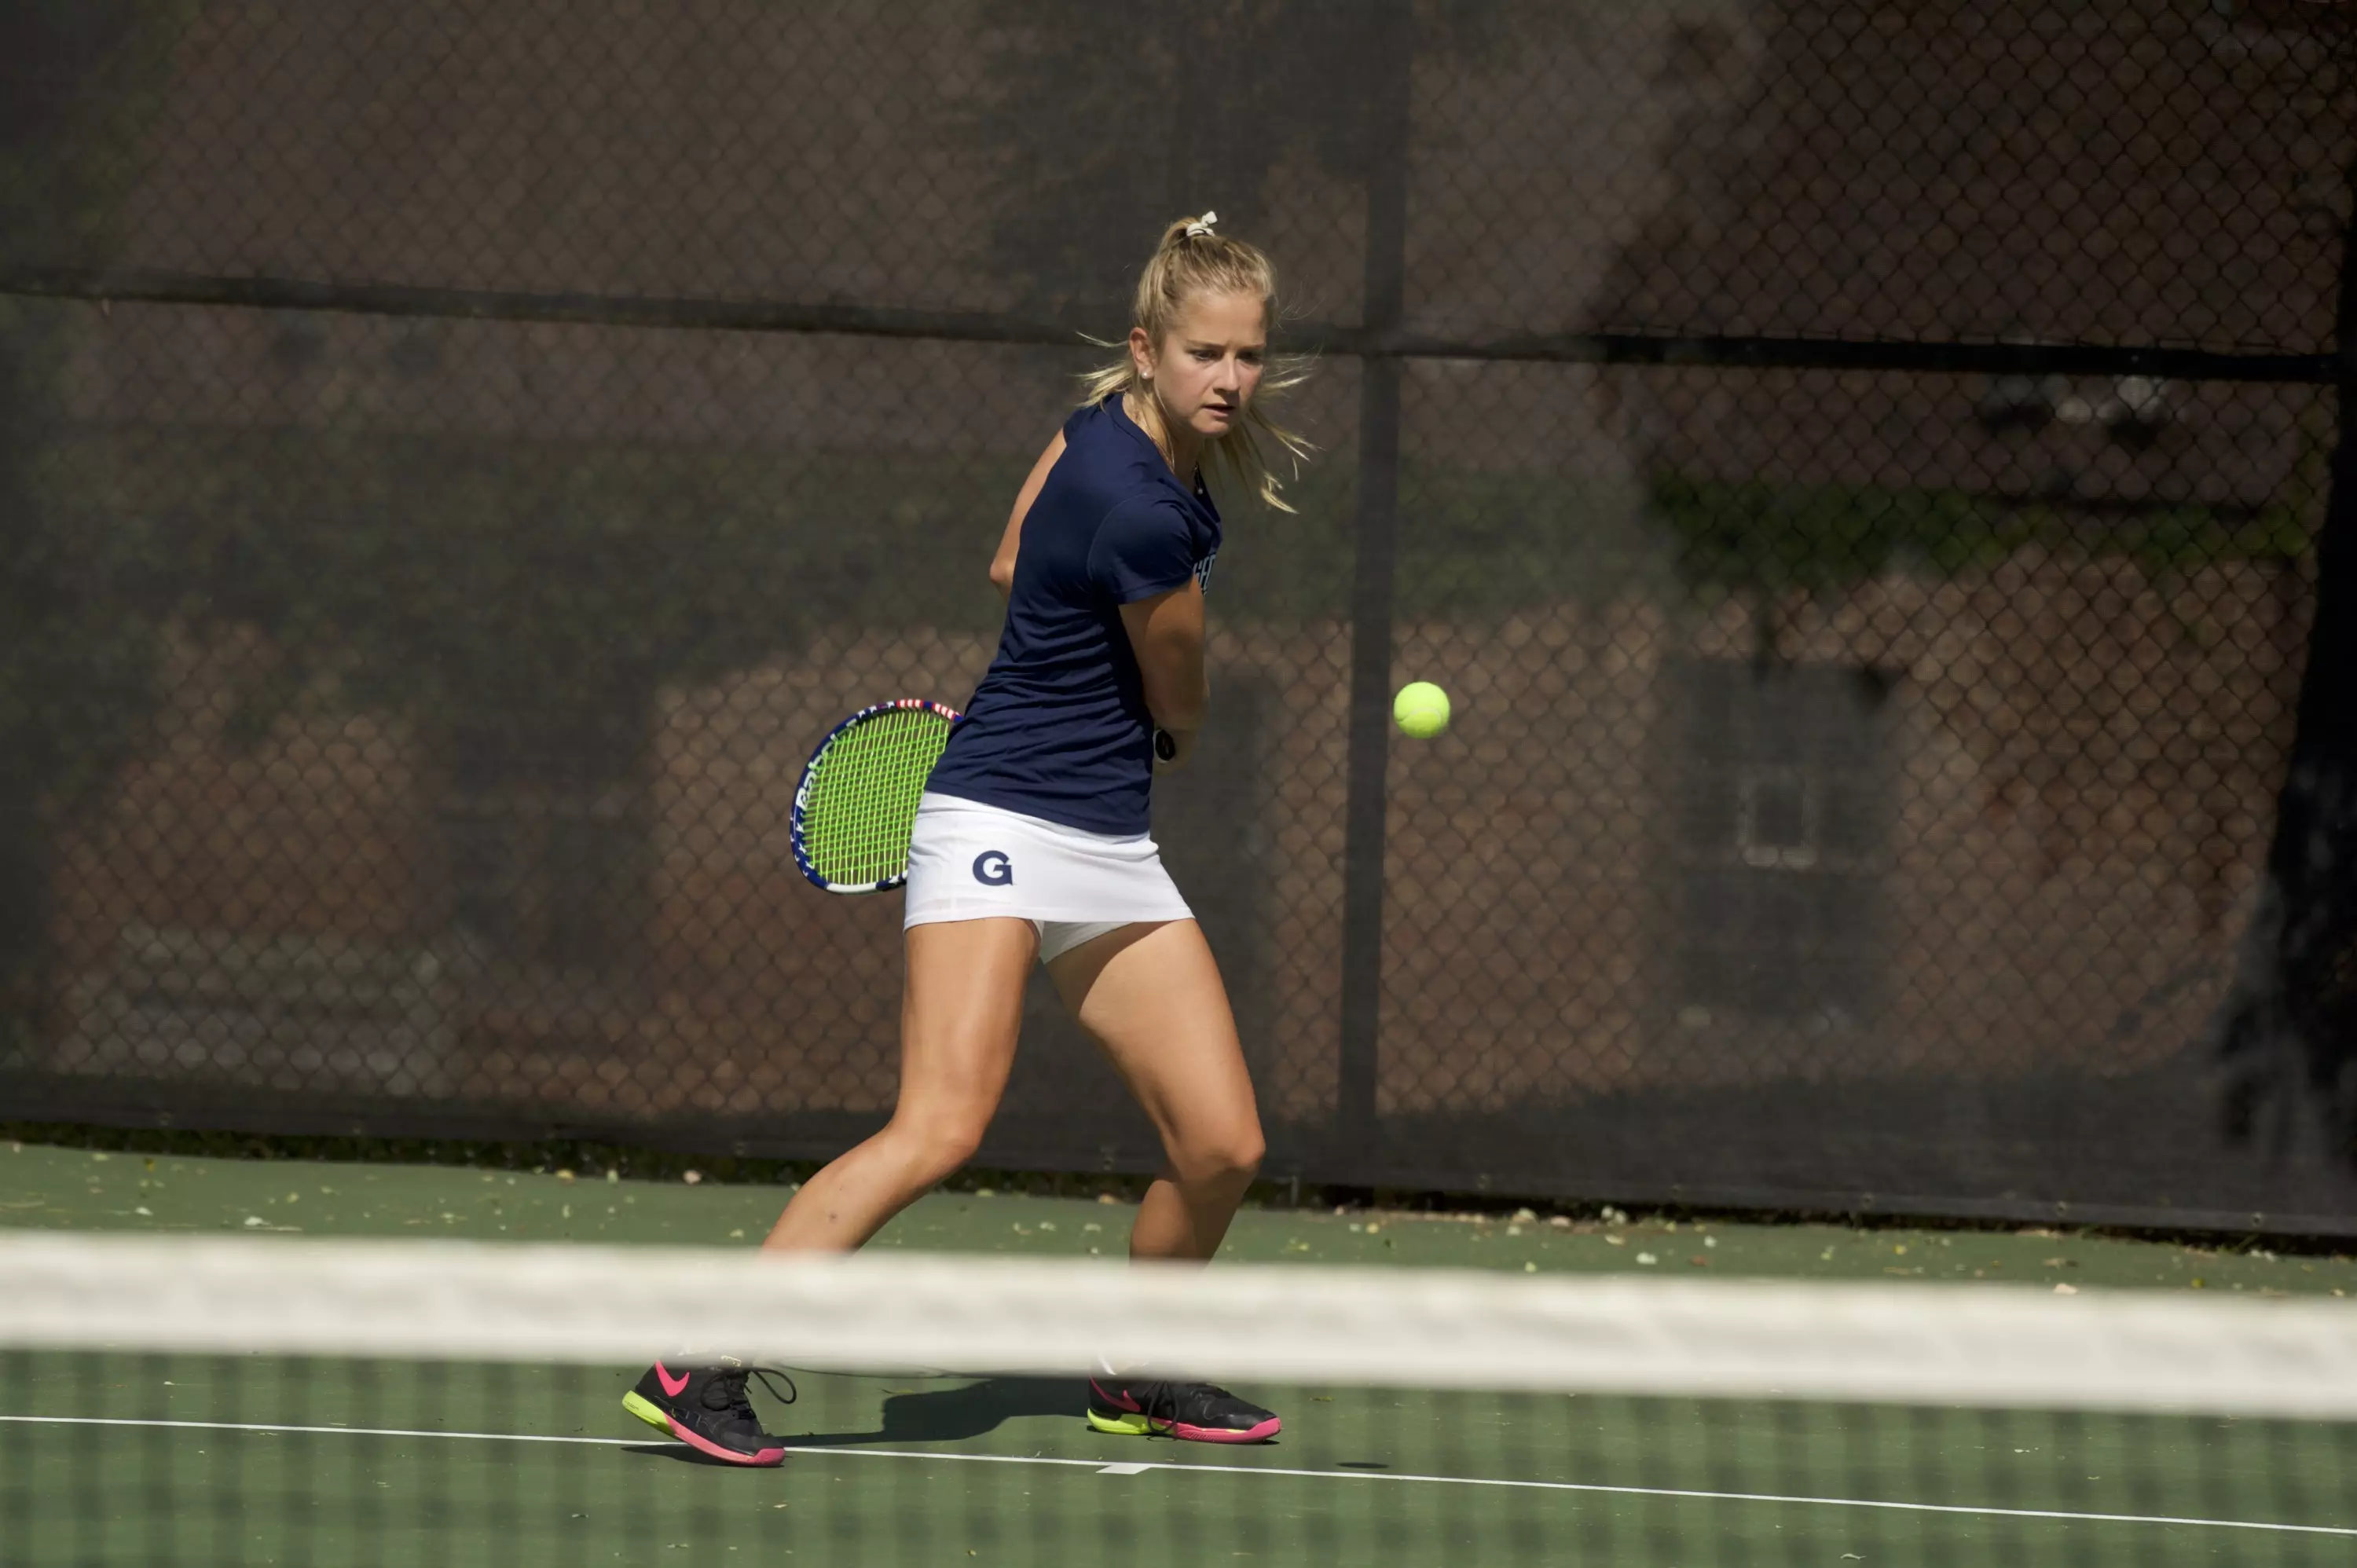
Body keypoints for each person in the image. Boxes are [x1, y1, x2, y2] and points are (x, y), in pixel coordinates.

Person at [624, 214, 1313, 1465]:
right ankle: (700, 1363)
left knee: (1224, 1145)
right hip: (999, 818)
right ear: (1147, 349)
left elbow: (1007, 562)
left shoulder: (1092, 428)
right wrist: (1162, 728)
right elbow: (1180, 695)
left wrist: (1074, 653)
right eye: (1205, 354)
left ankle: (1136, 1369)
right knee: (941, 1125)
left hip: (1104, 843)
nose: (1229, 379)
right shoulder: (1144, 508)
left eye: (1248, 355)